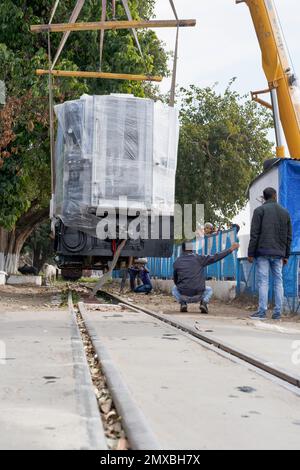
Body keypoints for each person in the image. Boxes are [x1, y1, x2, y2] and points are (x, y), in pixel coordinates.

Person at [248, 187, 292, 321]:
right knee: (279, 282)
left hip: (263, 252)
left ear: (264, 197)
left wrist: (250, 252)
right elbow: (289, 236)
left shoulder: (259, 211)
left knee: (263, 281)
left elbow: (254, 234)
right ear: (275, 196)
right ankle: (278, 313)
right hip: (279, 253)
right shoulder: (285, 213)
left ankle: (262, 312)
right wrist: (286, 255)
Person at [172, 240, 239, 313]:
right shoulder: (199, 258)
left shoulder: (177, 262)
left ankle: (183, 303)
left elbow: (175, 280)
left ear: (182, 249)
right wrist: (230, 249)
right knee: (209, 290)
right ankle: (204, 303)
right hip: (199, 294)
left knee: (174, 289)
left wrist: (183, 287)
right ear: (192, 249)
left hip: (183, 295)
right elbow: (215, 257)